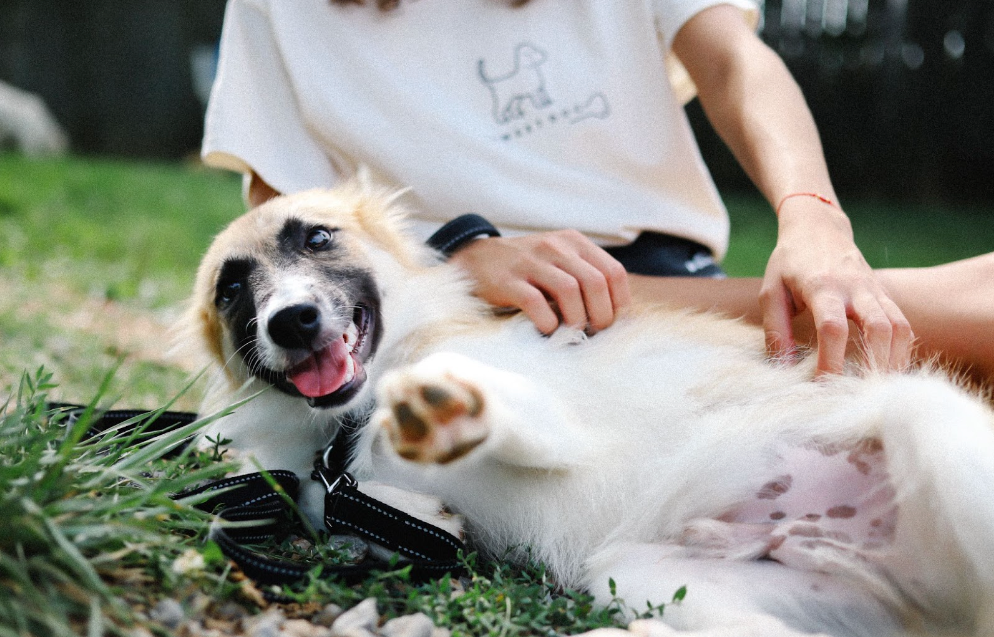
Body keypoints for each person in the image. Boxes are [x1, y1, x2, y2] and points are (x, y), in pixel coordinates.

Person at [201, 0, 994, 383]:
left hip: (660, 281)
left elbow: (733, 64)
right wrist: (455, 259)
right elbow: (285, 214)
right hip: (450, 309)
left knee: (896, 322)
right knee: (941, 320)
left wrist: (813, 220)